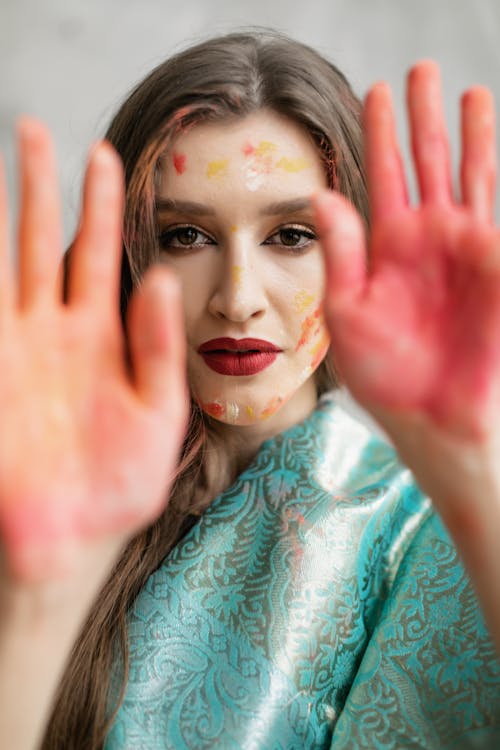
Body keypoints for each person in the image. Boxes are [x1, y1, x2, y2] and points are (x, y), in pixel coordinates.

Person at [0, 29, 500, 750]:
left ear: (360, 252)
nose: (237, 300)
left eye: (292, 234)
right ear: (127, 257)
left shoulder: (419, 532)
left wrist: (474, 468)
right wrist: (37, 599)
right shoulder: (40, 494)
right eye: (185, 237)